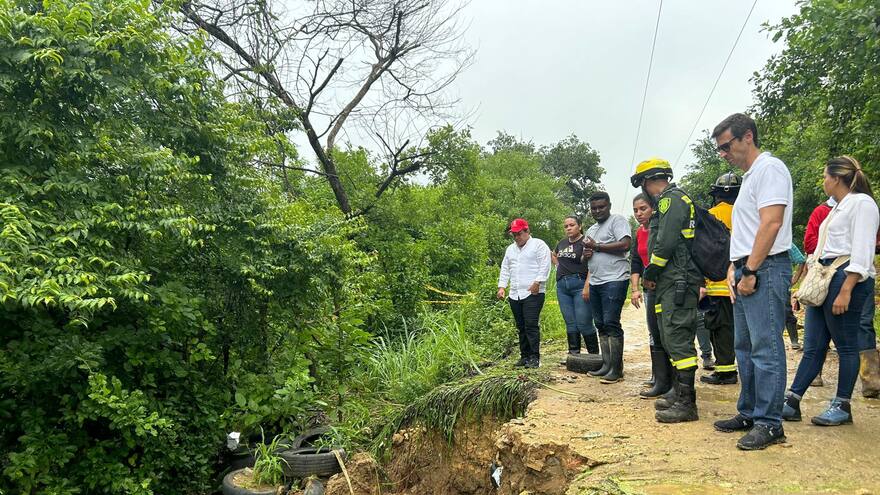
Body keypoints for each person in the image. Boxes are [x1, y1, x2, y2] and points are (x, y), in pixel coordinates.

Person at [711, 113, 793, 451]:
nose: (723, 153)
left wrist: (750, 270)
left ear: (747, 137)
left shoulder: (770, 169)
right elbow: (746, 230)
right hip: (747, 266)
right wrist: (734, 267)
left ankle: (770, 423)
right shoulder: (750, 177)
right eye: (720, 149)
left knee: (765, 347)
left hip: (765, 268)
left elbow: (771, 223)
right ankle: (749, 411)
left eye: (726, 146)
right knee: (744, 347)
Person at [783, 156, 879, 425]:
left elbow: (863, 250)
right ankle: (792, 401)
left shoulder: (862, 204)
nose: (823, 181)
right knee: (813, 345)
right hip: (826, 276)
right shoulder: (837, 207)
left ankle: (842, 405)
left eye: (826, 176)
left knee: (846, 346)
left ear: (837, 178)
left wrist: (847, 289)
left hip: (846, 277)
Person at [630, 157, 702, 423]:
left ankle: (687, 404)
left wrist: (651, 272)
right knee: (668, 335)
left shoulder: (671, 200)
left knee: (678, 336)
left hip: (677, 280)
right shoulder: (669, 201)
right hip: (669, 281)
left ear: (648, 181)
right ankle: (677, 392)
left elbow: (666, 243)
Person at [583, 191, 632, 384]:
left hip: (615, 279)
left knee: (611, 322)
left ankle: (616, 369)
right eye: (594, 208)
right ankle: (606, 365)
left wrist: (597, 247)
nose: (597, 211)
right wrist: (586, 254)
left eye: (601, 207)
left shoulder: (617, 221)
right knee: (600, 324)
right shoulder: (591, 229)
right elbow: (586, 255)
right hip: (596, 281)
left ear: (609, 206)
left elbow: (626, 244)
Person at [630, 193, 673, 398]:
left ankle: (673, 381)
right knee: (654, 331)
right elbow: (636, 261)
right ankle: (659, 378)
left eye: (643, 209)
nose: (639, 213)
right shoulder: (639, 232)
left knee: (668, 331)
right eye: (635, 210)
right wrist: (635, 288)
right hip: (649, 287)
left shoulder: (663, 229)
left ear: (653, 209)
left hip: (666, 285)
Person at [700, 172, 740, 386]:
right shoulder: (748, 212)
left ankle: (726, 372)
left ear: (716, 195)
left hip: (717, 285)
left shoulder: (710, 215)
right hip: (745, 281)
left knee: (720, 328)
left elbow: (702, 251)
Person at [497, 218, 552, 369]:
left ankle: (534, 357)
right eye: (514, 234)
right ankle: (524, 356)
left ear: (527, 231)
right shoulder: (510, 249)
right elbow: (505, 268)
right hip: (515, 293)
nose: (516, 237)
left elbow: (545, 265)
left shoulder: (538, 245)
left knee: (531, 325)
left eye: (519, 234)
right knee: (521, 326)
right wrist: (502, 287)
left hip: (533, 292)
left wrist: (538, 282)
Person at [552, 215, 598, 355]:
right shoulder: (562, 243)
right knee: (570, 322)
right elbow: (554, 254)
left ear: (580, 226)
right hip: (562, 286)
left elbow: (592, 265)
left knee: (584, 322)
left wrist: (587, 285)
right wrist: (558, 266)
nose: (568, 228)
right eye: (566, 226)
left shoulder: (586, 243)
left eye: (572, 225)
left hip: (580, 284)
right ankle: (574, 355)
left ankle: (594, 356)